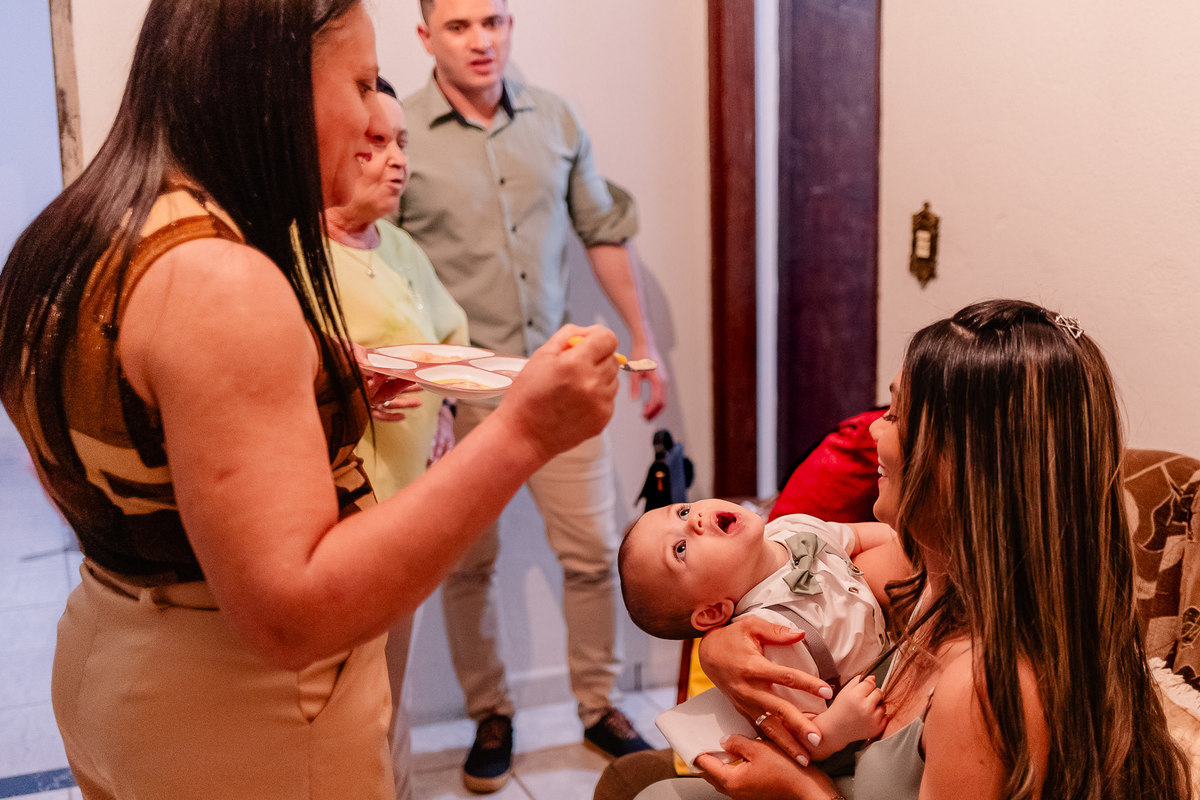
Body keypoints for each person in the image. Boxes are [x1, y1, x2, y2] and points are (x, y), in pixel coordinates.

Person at [0, 2, 620, 798]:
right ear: (279, 77)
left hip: (105, 651)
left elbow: (105, 460)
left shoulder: (75, 226)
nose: (374, 119)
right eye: (361, 83)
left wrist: (318, 379)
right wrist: (525, 433)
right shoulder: (218, 277)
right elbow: (289, 615)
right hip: (245, 714)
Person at [619, 299, 1192, 800]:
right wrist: (720, 644)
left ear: (962, 470)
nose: (872, 431)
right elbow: (777, 593)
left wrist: (797, 788)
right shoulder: (931, 571)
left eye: (894, 415)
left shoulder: (988, 689)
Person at [397, 0, 668, 791]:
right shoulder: (398, 133)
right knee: (463, 562)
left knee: (592, 554)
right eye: (459, 26)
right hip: (455, 390)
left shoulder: (554, 119)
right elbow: (391, 259)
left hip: (560, 376)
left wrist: (644, 344)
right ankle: (491, 713)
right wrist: (420, 388)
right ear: (426, 38)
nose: (481, 40)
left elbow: (602, 230)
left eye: (494, 21)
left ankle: (598, 705)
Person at [324, 75, 469, 800]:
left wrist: (443, 415)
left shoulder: (402, 246)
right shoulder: (295, 254)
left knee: (391, 689)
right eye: (374, 143)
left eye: (402, 142)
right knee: (355, 702)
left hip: (409, 512)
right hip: (345, 523)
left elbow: (448, 338)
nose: (396, 160)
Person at [618, 501, 895, 768]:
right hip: (870, 719)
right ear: (713, 612)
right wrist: (840, 727)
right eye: (680, 549)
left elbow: (859, 537)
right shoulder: (775, 640)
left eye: (682, 511)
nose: (694, 520)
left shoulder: (791, 527)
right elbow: (799, 735)